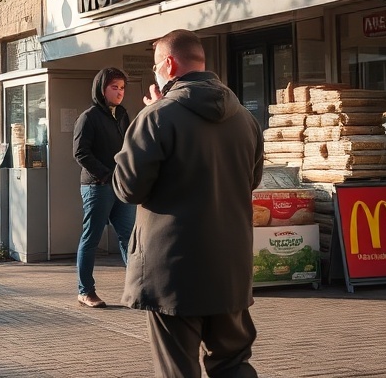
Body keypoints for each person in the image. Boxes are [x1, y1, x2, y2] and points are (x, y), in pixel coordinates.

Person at [112, 29, 263, 378]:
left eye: (155, 66)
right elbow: (250, 182)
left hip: (172, 273)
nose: (155, 73)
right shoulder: (245, 119)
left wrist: (145, 121)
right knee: (233, 364)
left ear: (168, 64)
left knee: (178, 370)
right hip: (229, 269)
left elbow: (127, 188)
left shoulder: (156, 118)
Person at [72, 67, 137, 308]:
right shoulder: (88, 118)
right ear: (102, 89)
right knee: (91, 238)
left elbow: (129, 146)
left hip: (122, 187)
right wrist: (105, 175)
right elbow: (80, 153)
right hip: (97, 187)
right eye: (114, 87)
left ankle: (137, 289)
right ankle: (85, 291)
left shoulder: (123, 115)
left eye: (122, 88)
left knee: (129, 238)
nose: (119, 92)